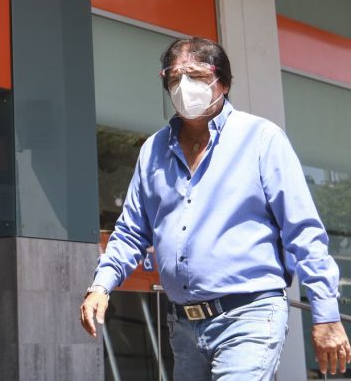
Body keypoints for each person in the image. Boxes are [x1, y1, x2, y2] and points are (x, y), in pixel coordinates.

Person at [79, 37, 351, 379]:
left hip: (249, 316)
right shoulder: (153, 151)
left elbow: (303, 231)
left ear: (222, 82)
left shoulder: (261, 139)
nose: (184, 87)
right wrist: (101, 285)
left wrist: (326, 313)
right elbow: (132, 231)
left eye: (195, 75)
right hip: (183, 326)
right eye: (175, 78)